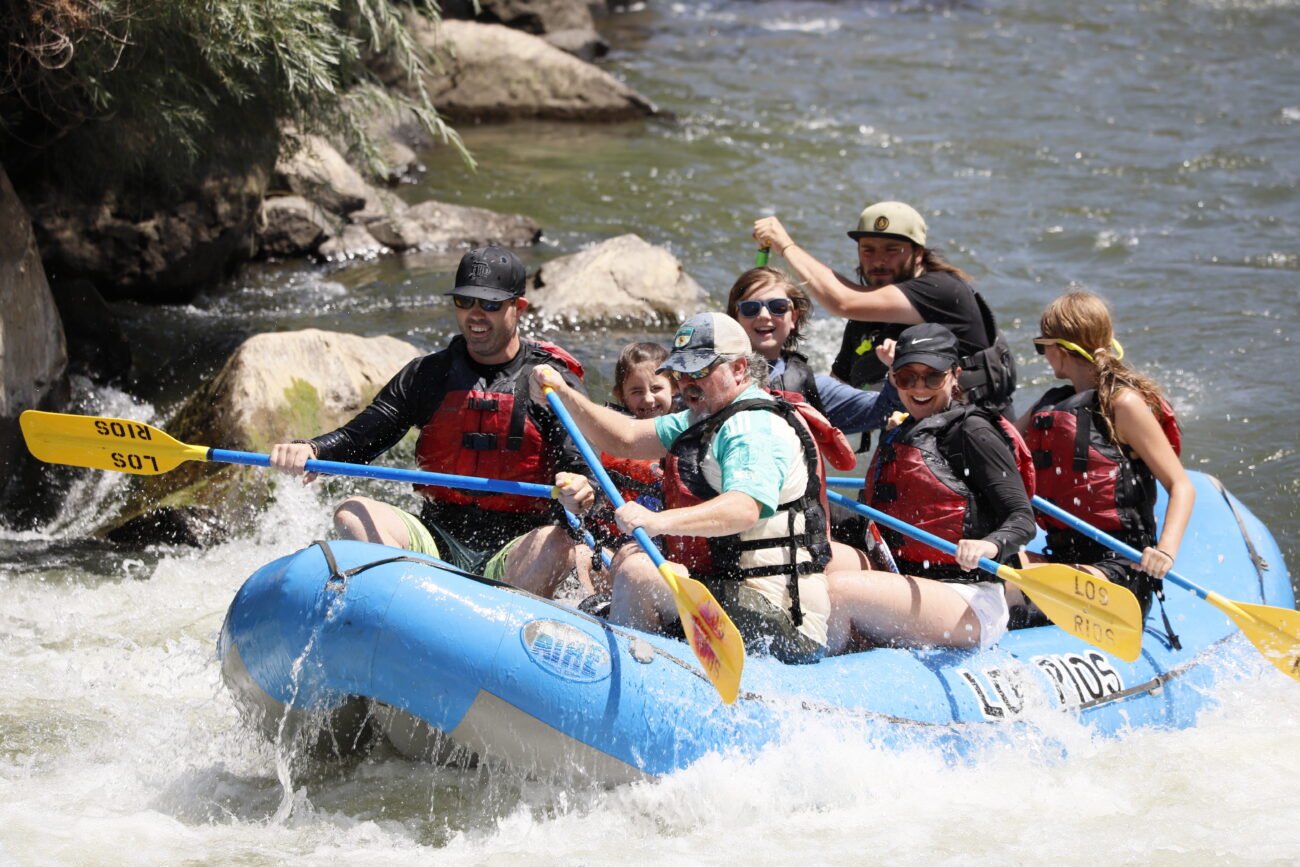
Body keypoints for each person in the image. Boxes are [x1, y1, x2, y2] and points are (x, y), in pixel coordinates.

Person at [269, 246, 593, 597]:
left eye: (490, 305)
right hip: (439, 537)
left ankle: (499, 626)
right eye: (465, 302)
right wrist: (311, 448)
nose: (475, 314)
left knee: (558, 543)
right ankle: (403, 605)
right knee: (353, 512)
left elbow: (584, 467)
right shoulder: (429, 374)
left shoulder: (549, 381)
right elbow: (362, 437)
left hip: (517, 547)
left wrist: (580, 489)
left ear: (519, 307)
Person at [531, 312, 836, 663]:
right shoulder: (705, 416)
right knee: (633, 560)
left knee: (639, 573)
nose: (689, 382)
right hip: (731, 594)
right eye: (683, 372)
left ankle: (629, 680)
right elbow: (626, 438)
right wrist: (564, 393)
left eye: (702, 370)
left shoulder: (752, 428)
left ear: (739, 369)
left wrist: (659, 521)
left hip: (780, 623)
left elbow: (744, 507)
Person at [826, 323, 1036, 653]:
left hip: (968, 597)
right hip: (902, 576)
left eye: (932, 377)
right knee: (813, 555)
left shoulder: (973, 431)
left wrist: (989, 546)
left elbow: (1022, 518)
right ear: (894, 379)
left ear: (954, 375)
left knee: (838, 589)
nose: (919, 387)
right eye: (907, 377)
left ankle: (824, 676)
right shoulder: (902, 430)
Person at [1015, 291, 1193, 621]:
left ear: (1059, 350)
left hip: (1122, 570)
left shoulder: (1122, 404)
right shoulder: (1050, 404)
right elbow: (1000, 444)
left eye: (1042, 347)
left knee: (1009, 596)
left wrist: (1164, 552)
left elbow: (1181, 484)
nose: (1043, 356)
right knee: (984, 575)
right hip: (1064, 558)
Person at [752, 200, 1017, 417]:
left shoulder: (942, 291)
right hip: (911, 445)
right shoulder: (864, 320)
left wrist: (785, 246)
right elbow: (832, 395)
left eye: (892, 250)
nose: (878, 260)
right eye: (868, 250)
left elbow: (842, 301)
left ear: (918, 254)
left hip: (977, 434)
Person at [726, 266, 889, 434]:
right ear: (734, 318)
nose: (764, 315)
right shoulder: (710, 373)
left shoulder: (812, 389)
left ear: (794, 318)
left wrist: (902, 369)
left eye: (778, 306)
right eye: (750, 308)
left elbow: (886, 408)